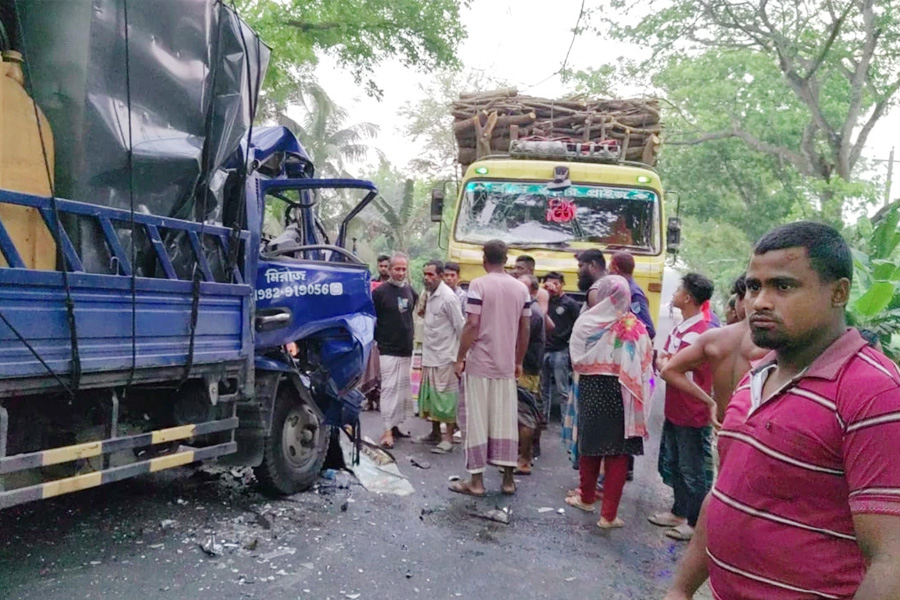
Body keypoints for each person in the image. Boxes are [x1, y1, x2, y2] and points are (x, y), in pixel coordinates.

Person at [664, 222, 900, 600]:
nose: (759, 301)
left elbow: (891, 559)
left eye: (783, 286)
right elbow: (725, 493)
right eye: (755, 286)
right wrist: (680, 589)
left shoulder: (874, 392)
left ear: (839, 292)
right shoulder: (757, 375)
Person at [565, 276, 653, 528]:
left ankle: (586, 497)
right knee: (617, 450)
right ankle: (608, 516)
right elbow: (645, 360)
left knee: (590, 443)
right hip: (623, 390)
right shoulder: (632, 326)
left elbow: (577, 358)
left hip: (592, 386)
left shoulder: (586, 322)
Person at [450, 240, 531, 497]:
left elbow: (472, 323)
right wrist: (518, 360)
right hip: (506, 365)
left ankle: (476, 482)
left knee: (476, 420)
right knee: (506, 420)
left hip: (480, 363)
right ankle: (508, 480)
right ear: (506, 259)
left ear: (485, 259)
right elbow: (525, 327)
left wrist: (460, 357)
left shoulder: (478, 285)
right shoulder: (521, 289)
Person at [651, 272, 715, 541]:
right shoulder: (682, 328)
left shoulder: (698, 335)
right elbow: (663, 361)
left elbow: (668, 366)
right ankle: (679, 510)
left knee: (692, 469)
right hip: (676, 407)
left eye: (679, 290)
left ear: (687, 297)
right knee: (675, 461)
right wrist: (666, 364)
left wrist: (666, 364)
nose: (674, 293)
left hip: (691, 411)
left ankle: (695, 522)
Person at [660, 274, 767, 422]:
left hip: (698, 416)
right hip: (704, 420)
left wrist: (710, 403)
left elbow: (667, 368)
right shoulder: (710, 337)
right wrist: (710, 402)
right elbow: (666, 367)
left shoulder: (709, 337)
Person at [562, 249, 609, 467]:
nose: (578, 271)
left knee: (590, 426)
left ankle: (589, 483)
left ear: (591, 265)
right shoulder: (608, 287)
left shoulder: (597, 291)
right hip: (595, 367)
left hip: (592, 369)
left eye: (580, 266)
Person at [417, 260, 465, 454]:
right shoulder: (428, 294)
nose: (427, 278)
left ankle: (448, 439)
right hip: (430, 354)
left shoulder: (448, 298)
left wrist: (461, 357)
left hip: (446, 356)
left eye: (431, 275)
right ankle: (435, 433)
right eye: (425, 274)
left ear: (440, 276)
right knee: (431, 398)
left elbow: (461, 327)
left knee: (446, 400)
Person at [371, 253, 418, 449]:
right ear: (389, 270)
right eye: (397, 269)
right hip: (387, 349)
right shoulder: (380, 293)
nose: (400, 273)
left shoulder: (410, 291)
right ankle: (387, 430)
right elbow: (372, 318)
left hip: (406, 348)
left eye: (403, 269)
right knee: (389, 390)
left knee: (402, 391)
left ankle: (396, 426)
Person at [540, 272, 581, 423]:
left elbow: (578, 324)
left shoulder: (570, 304)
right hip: (544, 348)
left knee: (562, 388)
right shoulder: (543, 301)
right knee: (543, 388)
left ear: (562, 284)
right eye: (550, 284)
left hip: (560, 350)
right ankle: (542, 418)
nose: (553, 288)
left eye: (556, 284)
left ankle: (566, 421)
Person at [516, 274, 545, 473]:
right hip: (527, 367)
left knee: (524, 415)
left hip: (526, 369)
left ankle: (525, 459)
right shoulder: (530, 310)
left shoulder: (532, 313)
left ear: (533, 292)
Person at [609, 251, 656, 339]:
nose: (608, 272)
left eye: (609, 268)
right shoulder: (621, 290)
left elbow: (649, 330)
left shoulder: (634, 294)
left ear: (615, 269)